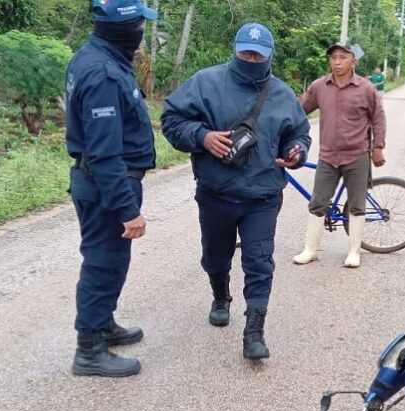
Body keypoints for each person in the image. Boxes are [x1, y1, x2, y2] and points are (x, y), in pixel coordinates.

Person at [161, 23, 311, 360]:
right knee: (215, 256)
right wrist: (202, 136)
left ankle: (254, 331)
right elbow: (171, 119)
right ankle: (220, 296)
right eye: (246, 52)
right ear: (235, 49)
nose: (252, 58)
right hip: (217, 193)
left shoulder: (283, 94)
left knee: (260, 262)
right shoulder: (205, 82)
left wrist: (296, 152)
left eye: (258, 54)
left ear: (269, 56)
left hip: (263, 195)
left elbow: (299, 134)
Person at [64, 0, 158, 377]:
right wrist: (127, 208)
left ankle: (103, 323)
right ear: (124, 27)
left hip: (103, 181)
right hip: (107, 185)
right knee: (102, 265)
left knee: (112, 262)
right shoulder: (103, 72)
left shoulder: (99, 56)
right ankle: (88, 350)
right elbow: (103, 154)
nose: (141, 31)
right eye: (137, 24)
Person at [293, 42, 386, 268]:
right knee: (317, 203)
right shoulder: (319, 87)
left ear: (353, 60)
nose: (337, 62)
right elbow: (298, 111)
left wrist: (378, 147)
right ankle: (311, 250)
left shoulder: (366, 88)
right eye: (333, 57)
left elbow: (378, 118)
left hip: (357, 155)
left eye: (343, 57)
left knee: (356, 204)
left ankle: (354, 251)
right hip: (328, 156)